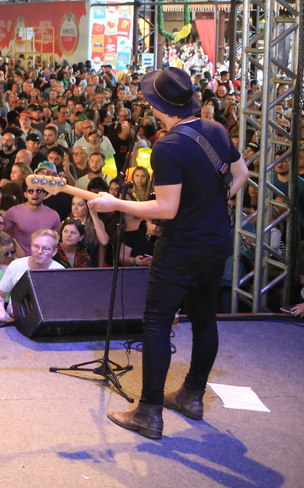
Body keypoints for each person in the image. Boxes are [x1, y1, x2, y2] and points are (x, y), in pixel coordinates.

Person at [89, 67, 249, 440]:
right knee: (205, 318)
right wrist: (213, 201)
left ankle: (148, 411)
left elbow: (166, 209)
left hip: (181, 248)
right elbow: (241, 174)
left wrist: (117, 203)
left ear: (155, 104)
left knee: (158, 323)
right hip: (215, 243)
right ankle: (192, 396)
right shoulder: (215, 129)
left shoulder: (168, 146)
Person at [0, 228, 64, 309]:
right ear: (31, 245)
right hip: (15, 316)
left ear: (54, 252)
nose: (39, 252)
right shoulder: (16, 265)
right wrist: (1, 310)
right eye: (36, 246)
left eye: (45, 248)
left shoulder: (59, 271)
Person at [3, 182, 62, 256]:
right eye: (31, 191)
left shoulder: (53, 215)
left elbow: (55, 242)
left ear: (45, 194)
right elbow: (2, 234)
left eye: (39, 191)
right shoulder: (13, 212)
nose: (35, 194)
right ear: (26, 194)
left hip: (44, 260)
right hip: (19, 259)